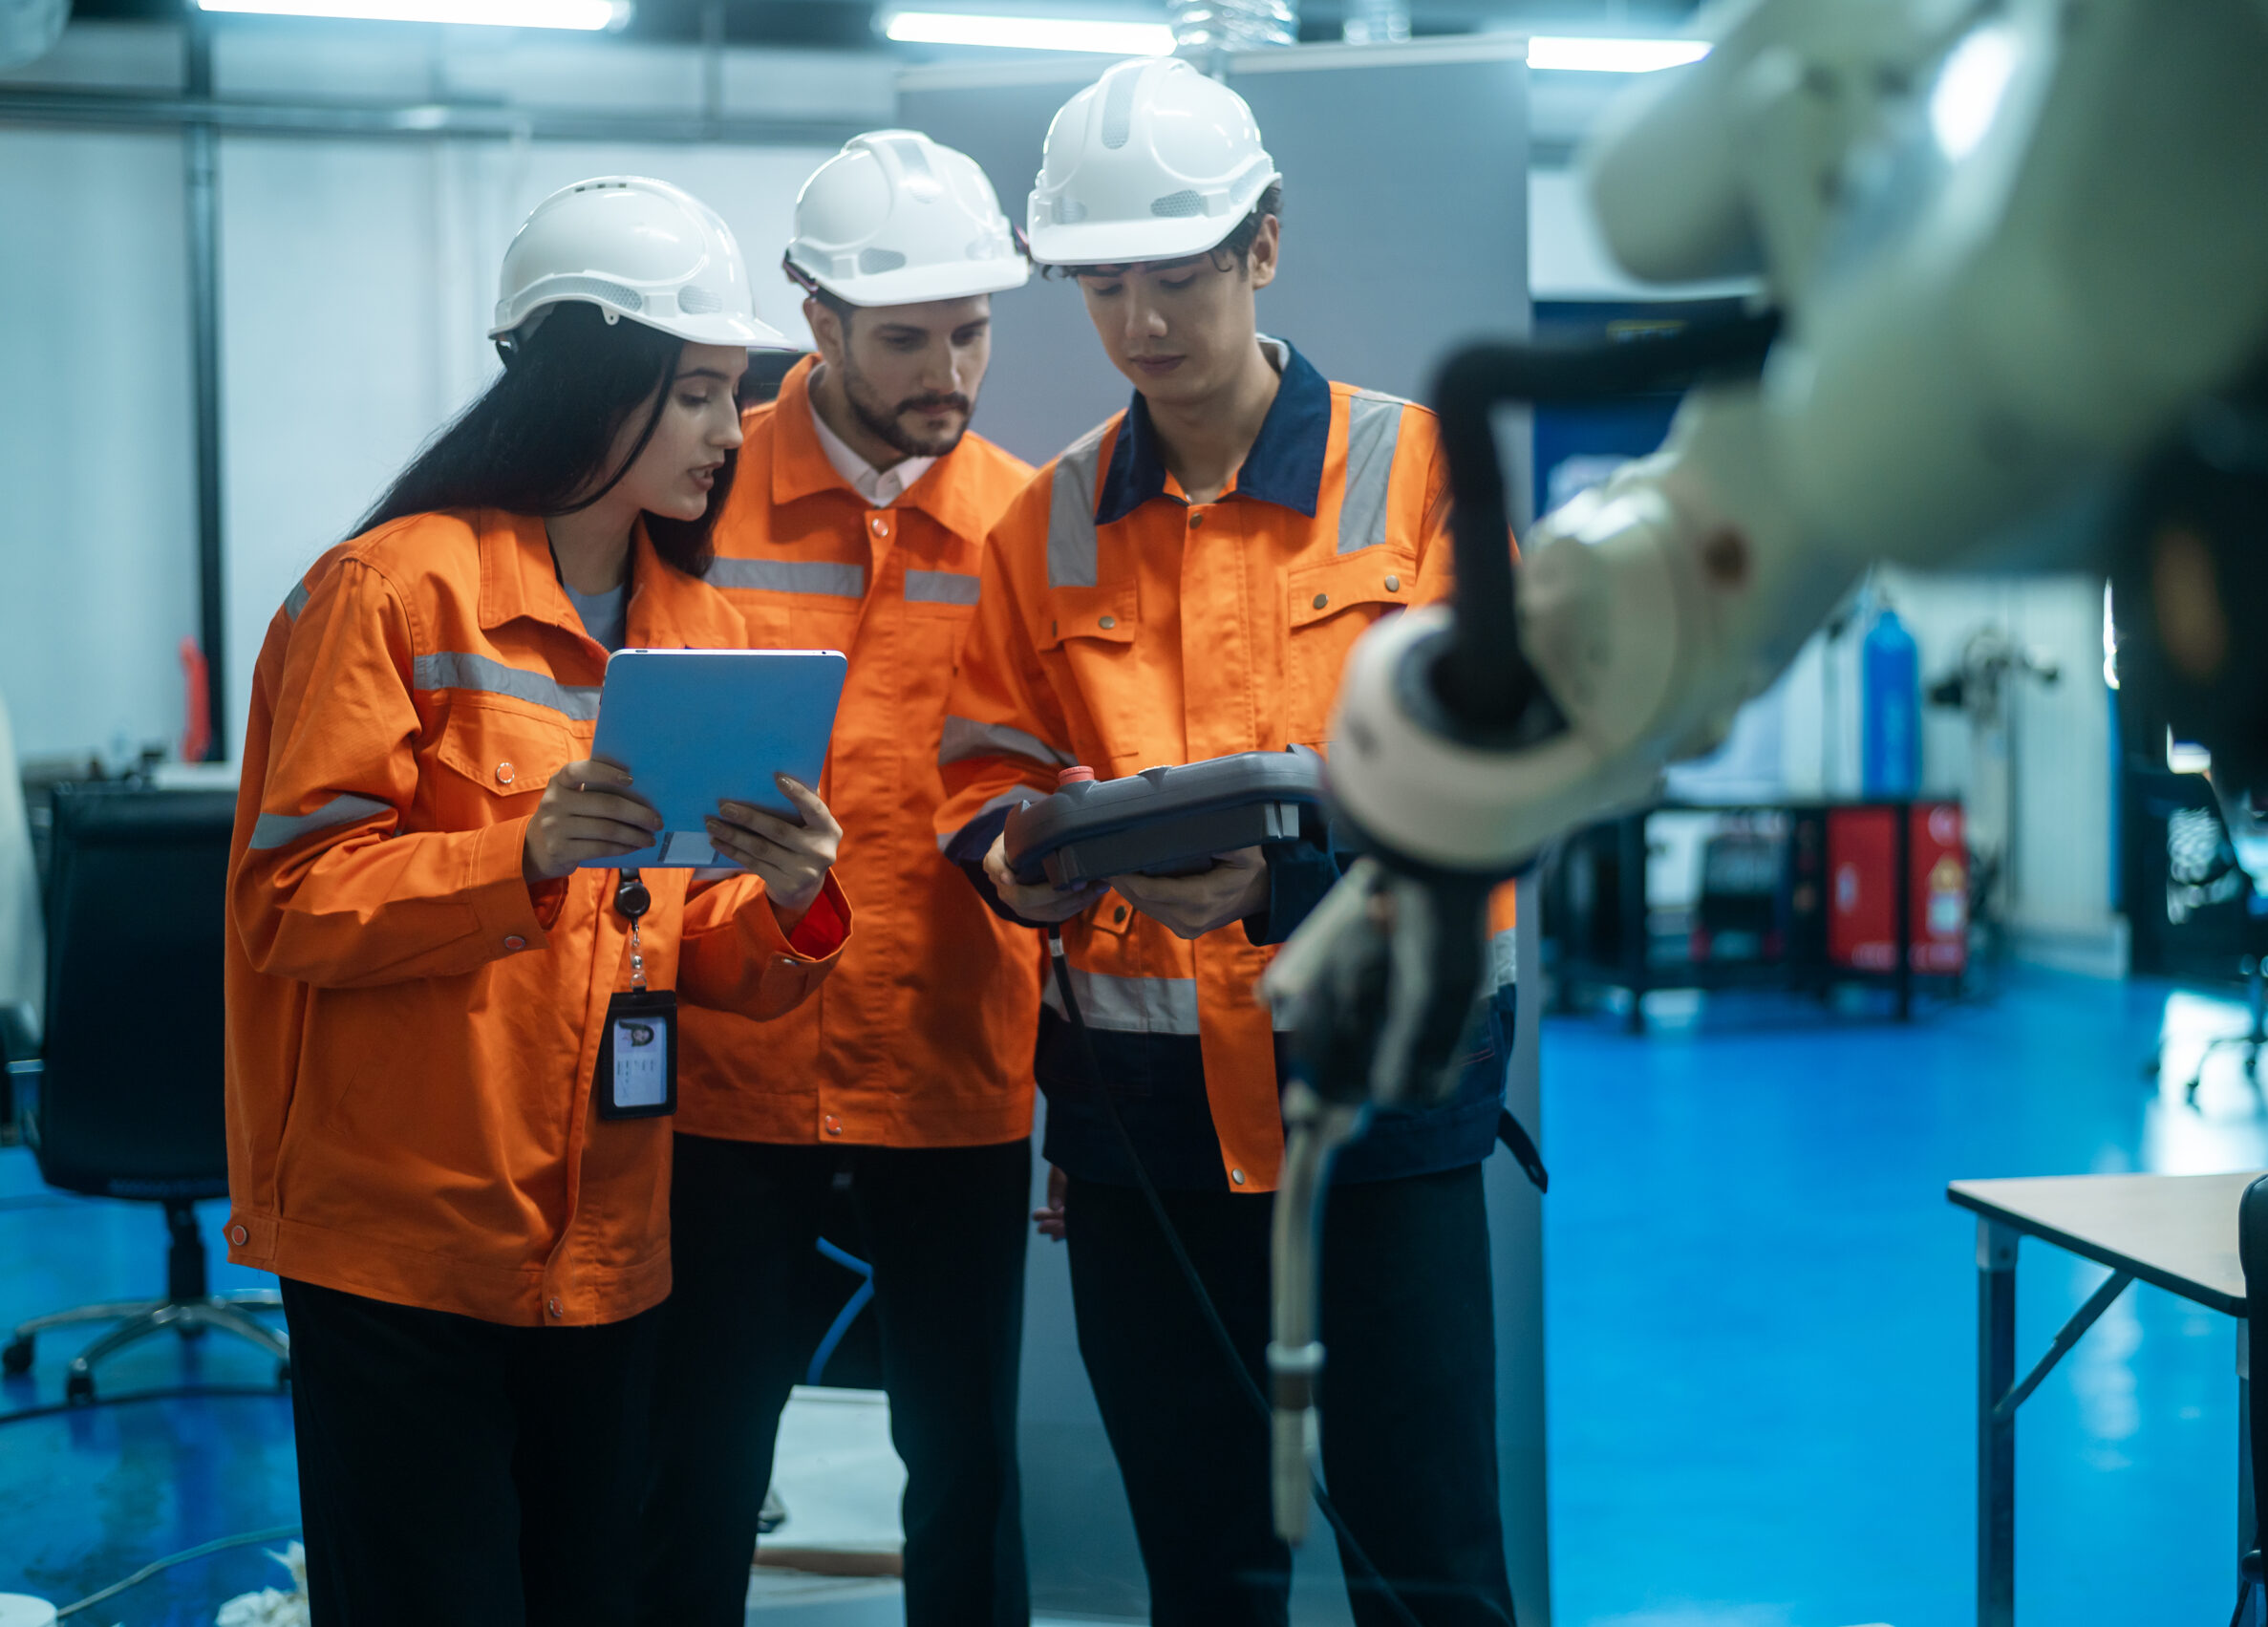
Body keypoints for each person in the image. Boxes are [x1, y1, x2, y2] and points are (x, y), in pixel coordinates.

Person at [935, 57, 1522, 1627]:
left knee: (1433, 1572)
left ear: (1264, 245)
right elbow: (980, 772)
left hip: (1380, 1119)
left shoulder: (1419, 475)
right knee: (1206, 1574)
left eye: (1176, 277)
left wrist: (1287, 882)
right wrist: (1019, 858)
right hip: (1150, 1143)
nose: (1138, 323)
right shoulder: (1043, 527)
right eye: (1103, 284)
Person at [223, 175, 853, 1627]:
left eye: (734, 393)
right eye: (696, 392)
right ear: (593, 380)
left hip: (610, 1251)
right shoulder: (389, 595)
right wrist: (520, 857)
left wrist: (792, 903)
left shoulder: (707, 633)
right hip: (405, 1248)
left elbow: (695, 946)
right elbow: (291, 905)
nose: (729, 431)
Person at [639, 132, 1041, 1627]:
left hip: (953, 1053)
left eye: (972, 328)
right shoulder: (698, 495)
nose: (949, 366)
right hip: (727, 1060)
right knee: (698, 1465)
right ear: (815, 320)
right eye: (906, 335)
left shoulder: (1027, 516)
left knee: (967, 1473)